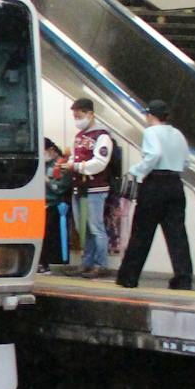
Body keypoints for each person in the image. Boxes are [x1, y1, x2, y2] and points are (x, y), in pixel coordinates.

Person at [116, 99, 194, 290]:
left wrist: (137, 170)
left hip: (154, 184)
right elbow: (186, 162)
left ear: (150, 115)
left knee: (142, 233)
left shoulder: (151, 132)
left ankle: (129, 277)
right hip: (175, 184)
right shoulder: (178, 134)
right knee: (177, 234)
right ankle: (183, 278)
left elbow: (154, 154)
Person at [68, 97, 119, 279]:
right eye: (74, 116)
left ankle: (101, 264)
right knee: (85, 228)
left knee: (96, 227)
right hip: (79, 186)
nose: (76, 119)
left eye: (79, 115)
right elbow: (73, 157)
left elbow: (100, 162)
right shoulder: (79, 136)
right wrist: (71, 164)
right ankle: (86, 262)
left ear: (90, 114)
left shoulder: (102, 136)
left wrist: (78, 167)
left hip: (96, 188)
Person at [40, 137, 71, 273]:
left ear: (51, 150)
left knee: (50, 237)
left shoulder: (61, 164)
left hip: (55, 206)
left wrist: (47, 181)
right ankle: (42, 263)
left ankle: (50, 264)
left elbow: (61, 187)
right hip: (41, 205)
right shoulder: (43, 164)